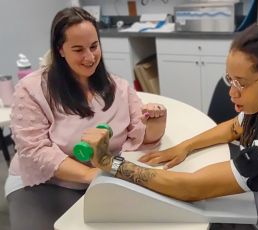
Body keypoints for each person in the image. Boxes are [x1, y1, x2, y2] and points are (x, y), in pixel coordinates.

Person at [87, 11, 258, 230]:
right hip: (257, 211)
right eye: (230, 79)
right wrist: (185, 146)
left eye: (242, 83)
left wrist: (110, 162)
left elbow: (191, 187)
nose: (232, 92)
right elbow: (234, 127)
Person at [4, 7, 166, 230]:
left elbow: (143, 137)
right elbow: (35, 151)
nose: (90, 57)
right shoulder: (33, 90)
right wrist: (91, 173)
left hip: (103, 178)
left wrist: (157, 118)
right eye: (78, 49)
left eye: (94, 46)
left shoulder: (118, 87)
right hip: (45, 182)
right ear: (60, 50)